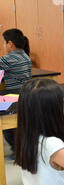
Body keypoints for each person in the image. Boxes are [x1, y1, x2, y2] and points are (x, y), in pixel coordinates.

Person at [1, 28, 32, 159]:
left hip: (13, 96)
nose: (3, 45)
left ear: (10, 44)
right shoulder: (25, 55)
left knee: (6, 125)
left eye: (4, 42)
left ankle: (16, 150)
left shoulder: (8, 59)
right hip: (27, 94)